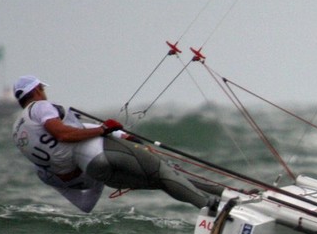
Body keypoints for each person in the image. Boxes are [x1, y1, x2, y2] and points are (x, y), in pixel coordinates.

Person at [11, 75, 217, 212]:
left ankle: (216, 199)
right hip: (97, 152)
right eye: (42, 89)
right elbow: (63, 134)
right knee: (163, 171)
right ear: (37, 90)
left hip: (93, 172)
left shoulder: (18, 132)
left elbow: (86, 205)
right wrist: (104, 130)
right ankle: (213, 206)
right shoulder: (40, 107)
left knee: (162, 180)